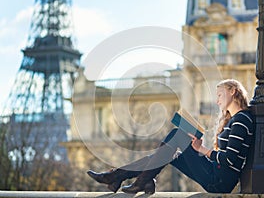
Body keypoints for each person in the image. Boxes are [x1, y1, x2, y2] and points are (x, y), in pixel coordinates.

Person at [87, 79, 254, 194]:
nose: (217, 101)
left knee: (176, 135)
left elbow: (230, 160)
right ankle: (132, 178)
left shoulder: (241, 120)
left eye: (219, 95)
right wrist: (199, 147)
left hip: (219, 180)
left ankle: (126, 178)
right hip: (216, 174)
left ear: (233, 91)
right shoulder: (236, 120)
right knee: (166, 153)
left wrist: (201, 149)